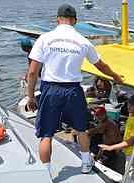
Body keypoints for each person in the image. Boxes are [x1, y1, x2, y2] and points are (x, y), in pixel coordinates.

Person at [26, 4, 123, 174]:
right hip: (73, 90)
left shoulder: (45, 38)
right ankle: (86, 164)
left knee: (46, 135)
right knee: (81, 129)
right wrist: (115, 77)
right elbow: (101, 66)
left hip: (51, 90)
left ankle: (45, 173)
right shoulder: (83, 41)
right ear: (75, 21)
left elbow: (33, 72)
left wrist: (31, 97)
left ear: (57, 19)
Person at [99, 95, 134, 181]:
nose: (128, 107)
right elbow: (128, 133)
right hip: (129, 151)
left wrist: (111, 147)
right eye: (128, 104)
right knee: (130, 175)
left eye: (131, 105)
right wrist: (120, 147)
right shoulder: (132, 113)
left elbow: (131, 141)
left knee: (131, 178)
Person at [85, 107, 125, 174]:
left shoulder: (106, 124)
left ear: (104, 115)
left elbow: (94, 131)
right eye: (96, 115)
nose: (97, 118)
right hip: (113, 147)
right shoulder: (109, 120)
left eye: (99, 116)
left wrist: (82, 133)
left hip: (114, 150)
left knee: (112, 169)